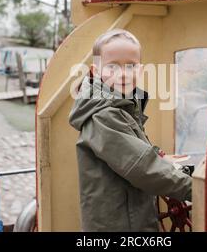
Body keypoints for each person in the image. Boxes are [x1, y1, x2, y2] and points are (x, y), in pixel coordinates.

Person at [68, 29, 192, 232]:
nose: (123, 74)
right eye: (112, 67)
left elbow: (133, 149)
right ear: (95, 71)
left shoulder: (123, 104)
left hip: (130, 217)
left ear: (140, 70)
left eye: (130, 66)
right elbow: (142, 167)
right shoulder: (104, 115)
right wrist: (195, 188)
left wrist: (159, 157)